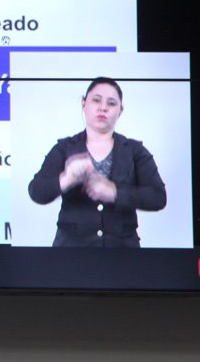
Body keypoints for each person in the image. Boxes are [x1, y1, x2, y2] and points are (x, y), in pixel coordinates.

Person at [27, 77, 166, 247]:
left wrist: (115, 193)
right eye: (96, 100)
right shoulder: (64, 148)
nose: (103, 107)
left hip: (123, 252)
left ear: (120, 110)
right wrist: (66, 179)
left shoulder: (135, 150)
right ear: (84, 103)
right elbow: (36, 191)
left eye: (111, 103)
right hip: (71, 252)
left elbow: (158, 197)